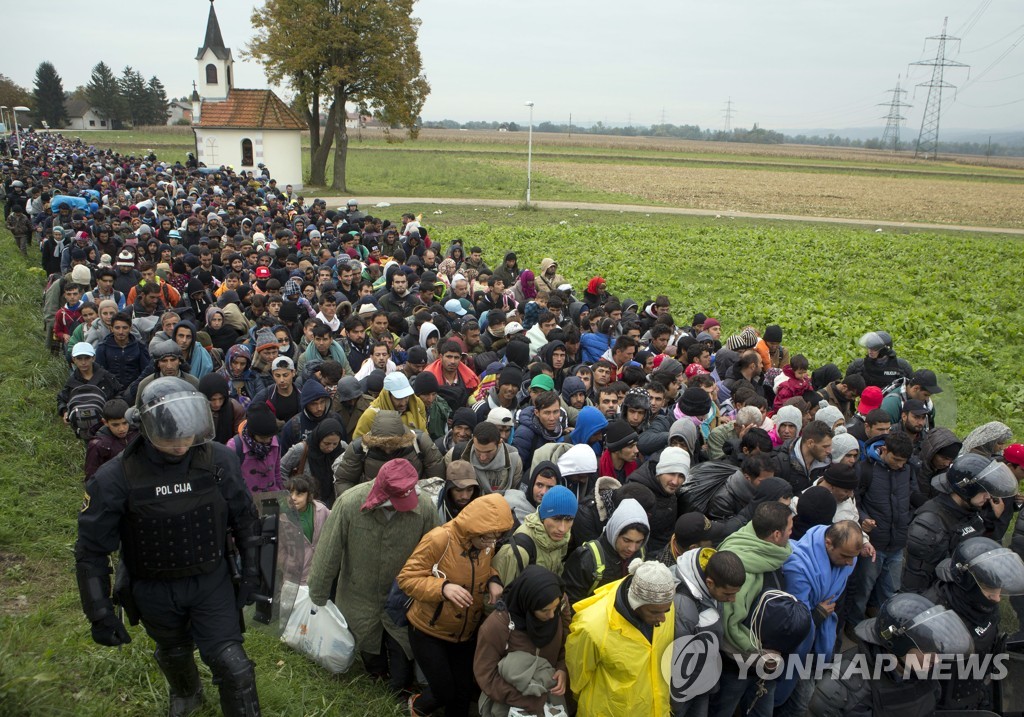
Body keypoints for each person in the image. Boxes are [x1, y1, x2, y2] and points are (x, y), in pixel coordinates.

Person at [74, 377, 263, 716]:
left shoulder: (218, 460)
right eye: (170, 437)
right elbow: (90, 550)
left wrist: (253, 572)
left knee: (236, 668)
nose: (180, 445)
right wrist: (99, 611)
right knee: (174, 650)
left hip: (211, 580)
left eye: (187, 436)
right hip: (153, 585)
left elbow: (245, 519)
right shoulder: (115, 478)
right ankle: (187, 691)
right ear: (145, 427)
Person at [309, 458, 439, 699]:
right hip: (360, 597)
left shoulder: (425, 508)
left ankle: (399, 690)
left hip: (402, 600)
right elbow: (328, 552)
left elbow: (437, 552)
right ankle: (374, 678)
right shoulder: (349, 503)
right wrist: (317, 597)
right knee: (370, 657)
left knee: (401, 665)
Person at [399, 493, 514, 717]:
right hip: (428, 630)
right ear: (472, 529)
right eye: (486, 539)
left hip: (464, 634)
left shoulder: (485, 544)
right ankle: (416, 707)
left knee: (462, 696)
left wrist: (493, 579)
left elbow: (479, 569)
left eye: (496, 539)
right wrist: (443, 588)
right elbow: (406, 578)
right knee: (444, 692)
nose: (490, 545)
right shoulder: (439, 539)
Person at [808, 593, 972, 717]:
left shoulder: (922, 667)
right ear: (898, 646)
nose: (936, 661)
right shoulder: (843, 689)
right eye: (927, 654)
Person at [712, 502, 794, 717]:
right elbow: (730, 625)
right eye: (789, 529)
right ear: (776, 534)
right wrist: (758, 653)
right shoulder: (744, 570)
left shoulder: (765, 550)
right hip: (740, 663)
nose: (792, 533)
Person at [924, 536, 1024, 710]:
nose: (997, 597)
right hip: (942, 704)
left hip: (978, 691)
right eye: (989, 589)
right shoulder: (934, 616)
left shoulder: (984, 602)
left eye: (998, 588)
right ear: (968, 582)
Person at [565, 559, 676, 716]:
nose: (663, 618)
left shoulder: (663, 607)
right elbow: (577, 681)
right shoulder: (592, 628)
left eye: (667, 609)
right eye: (654, 612)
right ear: (637, 603)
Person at [775, 520, 862, 716]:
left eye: (853, 557)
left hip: (823, 640)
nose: (850, 563)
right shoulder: (798, 567)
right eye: (846, 556)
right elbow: (795, 620)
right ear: (829, 543)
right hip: (799, 646)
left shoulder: (848, 557)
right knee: (800, 704)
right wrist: (818, 614)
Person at [903, 453, 1017, 593]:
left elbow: (976, 546)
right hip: (939, 600)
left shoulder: (970, 510)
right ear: (967, 488)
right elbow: (917, 583)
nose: (988, 497)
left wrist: (990, 519)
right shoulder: (930, 524)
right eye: (984, 491)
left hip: (960, 595)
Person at [474, 565, 570, 717]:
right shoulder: (496, 626)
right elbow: (486, 675)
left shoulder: (557, 608)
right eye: (544, 611)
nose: (552, 616)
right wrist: (525, 699)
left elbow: (567, 643)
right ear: (528, 604)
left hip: (550, 701)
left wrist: (562, 668)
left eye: (555, 608)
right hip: (509, 705)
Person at [669, 548, 746, 717]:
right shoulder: (683, 606)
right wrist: (676, 706)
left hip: (701, 682)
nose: (732, 600)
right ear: (710, 583)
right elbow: (679, 662)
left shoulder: (712, 587)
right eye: (728, 594)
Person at [563, 498, 651, 605]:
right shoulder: (586, 558)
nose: (632, 548)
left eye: (638, 542)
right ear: (614, 532)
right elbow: (572, 603)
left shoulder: (641, 552)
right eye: (626, 540)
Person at [493, 485, 578, 585]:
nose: (562, 529)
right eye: (556, 519)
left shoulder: (563, 538)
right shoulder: (519, 550)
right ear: (543, 516)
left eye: (569, 520)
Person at [279, 417, 346, 509]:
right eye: (326, 443)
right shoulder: (301, 450)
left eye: (335, 444)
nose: (330, 448)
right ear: (319, 439)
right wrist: (290, 492)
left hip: (331, 501)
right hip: (304, 503)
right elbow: (280, 469)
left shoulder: (343, 448)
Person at [283, 474, 330, 586]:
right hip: (294, 576)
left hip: (318, 572)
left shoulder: (322, 510)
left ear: (309, 496)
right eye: (290, 493)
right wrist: (289, 564)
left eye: (299, 494)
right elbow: (279, 548)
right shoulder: (282, 517)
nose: (293, 497)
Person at [226, 403, 283, 495]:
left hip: (272, 499)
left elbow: (277, 473)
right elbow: (230, 481)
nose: (267, 441)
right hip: (248, 502)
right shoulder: (235, 446)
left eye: (270, 437)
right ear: (252, 434)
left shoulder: (275, 442)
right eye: (262, 438)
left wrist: (281, 494)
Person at [84, 398, 137, 481]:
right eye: (115, 425)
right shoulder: (98, 445)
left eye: (125, 423)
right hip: (113, 487)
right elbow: (91, 476)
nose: (122, 429)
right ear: (105, 422)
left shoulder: (138, 434)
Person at [437, 459, 491, 523]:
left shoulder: (484, 507)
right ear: (448, 489)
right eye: (458, 490)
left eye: (470, 490)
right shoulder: (435, 506)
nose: (465, 496)